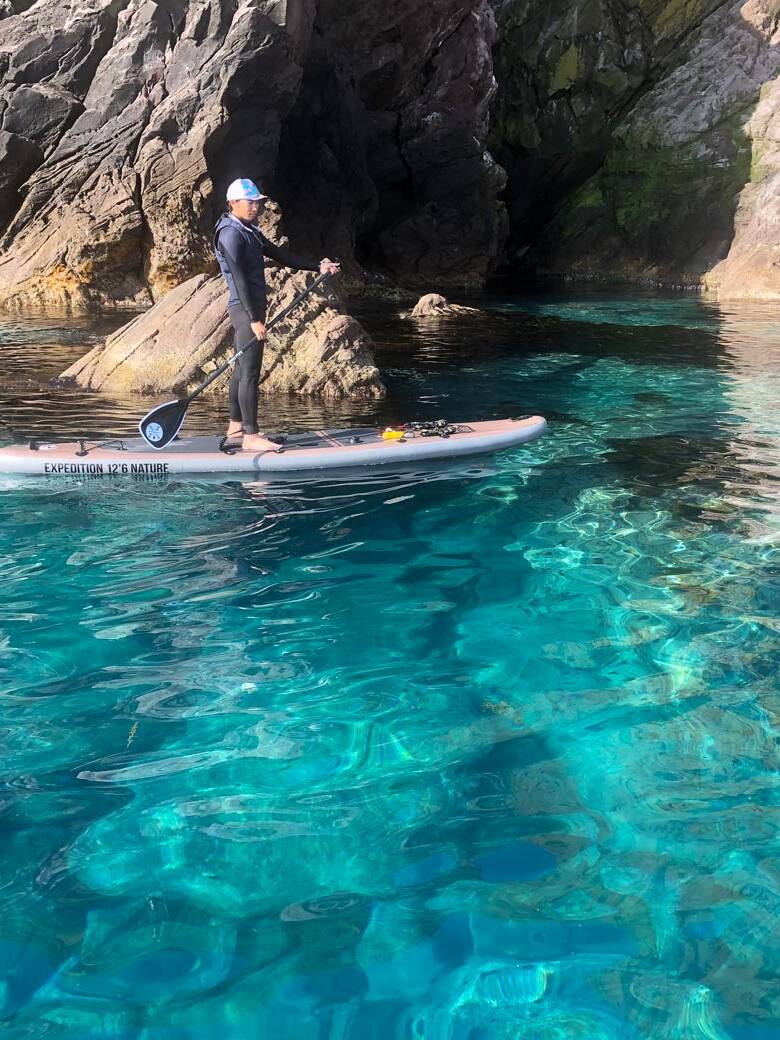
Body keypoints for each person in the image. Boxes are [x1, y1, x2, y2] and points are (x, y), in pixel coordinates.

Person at [213, 178, 340, 451]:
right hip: (244, 308)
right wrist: (254, 319)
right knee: (250, 373)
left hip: (250, 308)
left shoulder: (249, 230)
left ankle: (236, 428)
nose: (255, 207)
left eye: (257, 202)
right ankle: (251, 437)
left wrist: (318, 266)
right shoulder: (230, 234)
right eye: (250, 202)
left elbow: (280, 255)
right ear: (233, 203)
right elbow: (240, 279)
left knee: (241, 369)